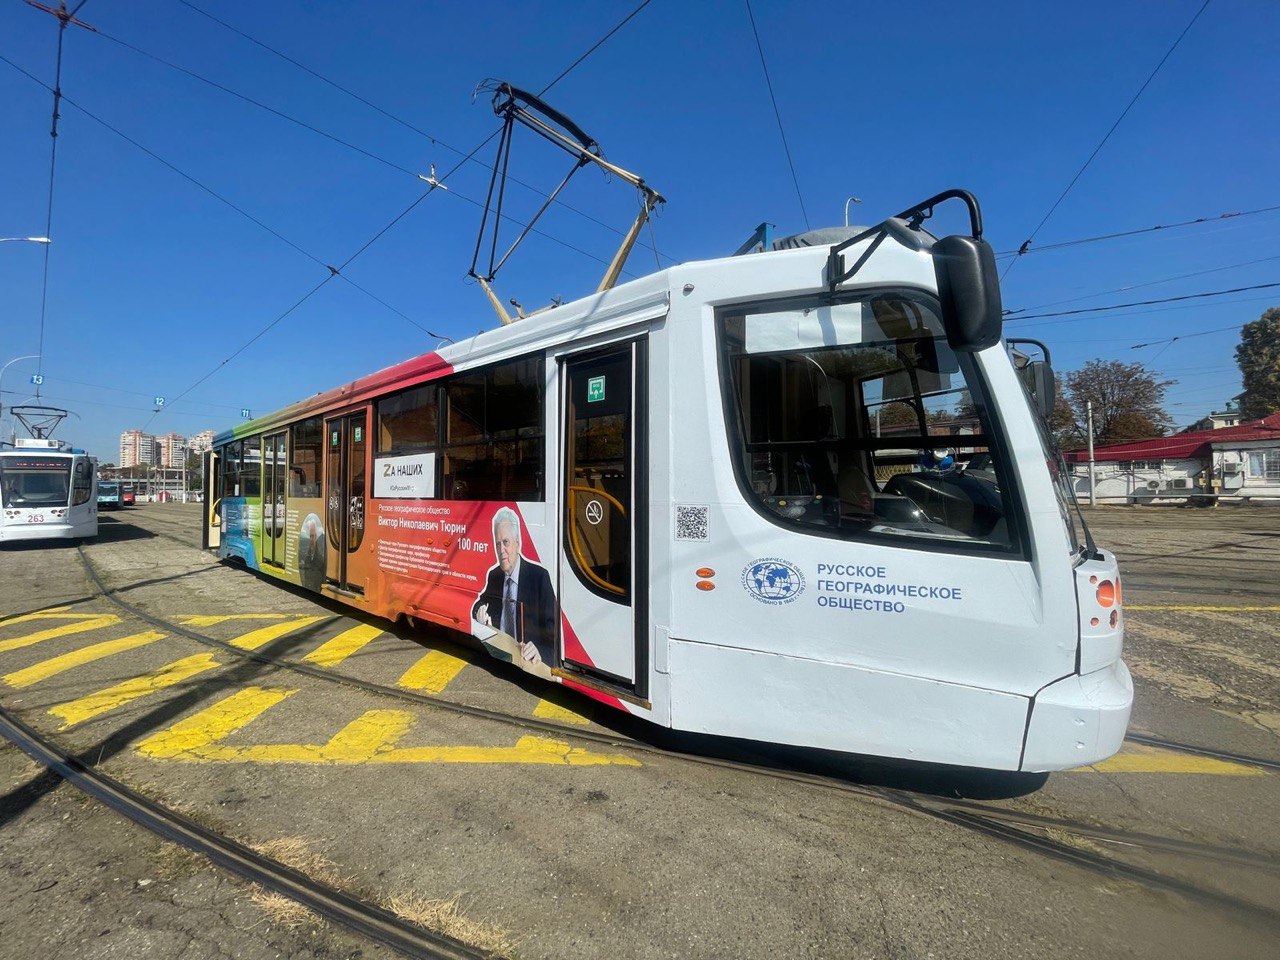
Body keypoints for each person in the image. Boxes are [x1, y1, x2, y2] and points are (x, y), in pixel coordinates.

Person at [472, 507, 556, 666]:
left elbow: (555, 636)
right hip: (500, 658)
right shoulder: (494, 575)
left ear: (517, 543)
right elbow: (479, 603)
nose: (501, 550)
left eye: (506, 542)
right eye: (497, 544)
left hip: (529, 663)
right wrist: (479, 611)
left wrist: (540, 651)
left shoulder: (539, 578)